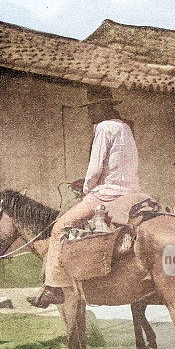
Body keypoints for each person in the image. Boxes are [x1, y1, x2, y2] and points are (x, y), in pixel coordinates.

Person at [31, 98, 139, 308]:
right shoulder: (126, 127)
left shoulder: (104, 127)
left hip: (107, 193)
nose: (89, 113)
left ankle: (53, 286)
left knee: (59, 227)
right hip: (130, 191)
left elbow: (96, 167)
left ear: (104, 106)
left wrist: (87, 189)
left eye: (92, 107)